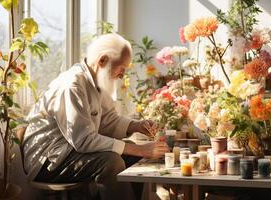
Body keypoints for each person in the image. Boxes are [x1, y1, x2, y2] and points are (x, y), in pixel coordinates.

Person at [22, 33, 170, 200]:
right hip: (48, 161)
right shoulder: (72, 85)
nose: (122, 75)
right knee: (111, 162)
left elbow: (108, 121)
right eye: (121, 69)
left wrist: (136, 126)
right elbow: (83, 140)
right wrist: (139, 148)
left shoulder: (98, 81)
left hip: (71, 151)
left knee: (133, 155)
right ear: (103, 61)